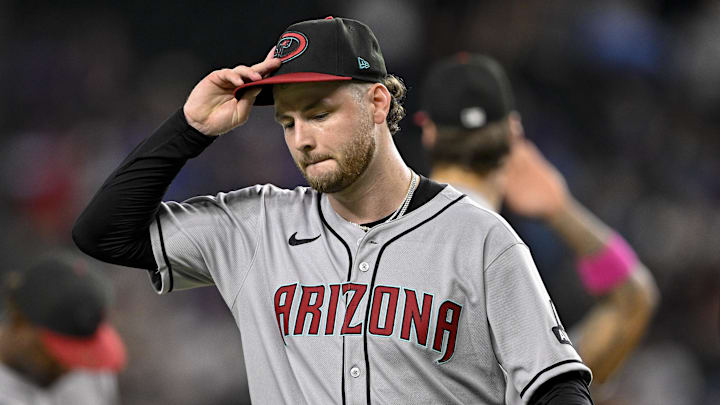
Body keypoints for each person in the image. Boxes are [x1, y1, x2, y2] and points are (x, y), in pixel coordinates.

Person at [73, 17, 593, 404]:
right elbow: (104, 234)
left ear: (378, 104)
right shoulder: (256, 227)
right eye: (286, 122)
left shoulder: (478, 237)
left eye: (319, 114)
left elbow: (558, 387)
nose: (301, 139)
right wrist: (189, 129)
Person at [418, 53, 659, 400]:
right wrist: (561, 211)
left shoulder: (380, 236)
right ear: (513, 131)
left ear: (429, 132)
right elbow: (634, 300)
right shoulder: (506, 253)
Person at [0, 253, 126, 404]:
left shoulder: (89, 371)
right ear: (19, 322)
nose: (69, 367)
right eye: (58, 352)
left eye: (81, 352)